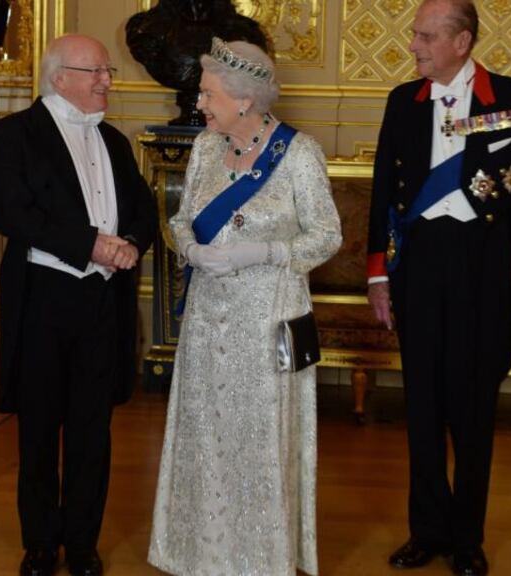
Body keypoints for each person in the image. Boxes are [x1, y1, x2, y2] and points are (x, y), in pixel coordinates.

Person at [366, 1, 511, 574]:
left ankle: (467, 538)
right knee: (421, 403)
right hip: (419, 266)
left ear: (462, 41)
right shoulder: (403, 103)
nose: (414, 45)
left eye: (426, 36)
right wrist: (379, 272)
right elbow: (382, 191)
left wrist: (497, 239)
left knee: (473, 407)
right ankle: (426, 529)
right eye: (415, 35)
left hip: (481, 267)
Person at [148, 38, 342, 576]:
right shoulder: (207, 149)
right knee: (206, 430)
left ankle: (260, 558)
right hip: (210, 317)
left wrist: (268, 252)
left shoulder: (298, 154)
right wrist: (187, 247)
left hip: (269, 318)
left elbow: (327, 236)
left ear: (243, 99)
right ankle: (200, 551)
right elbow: (183, 217)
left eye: (208, 94)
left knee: (259, 436)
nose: (201, 104)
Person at [0, 34, 158, 576]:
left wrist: (130, 244)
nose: (108, 80)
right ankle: (39, 542)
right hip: (43, 299)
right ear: (60, 77)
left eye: (107, 71)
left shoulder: (116, 141)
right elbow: (14, 214)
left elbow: (143, 212)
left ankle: (83, 543)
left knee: (92, 429)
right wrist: (91, 244)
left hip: (103, 301)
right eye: (97, 71)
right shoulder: (7, 136)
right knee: (38, 428)